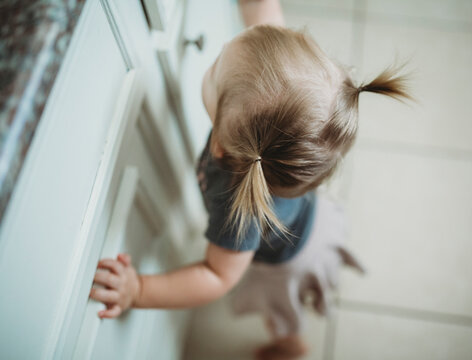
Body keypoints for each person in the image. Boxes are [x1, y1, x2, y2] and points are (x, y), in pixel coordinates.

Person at [89, 0, 411, 359]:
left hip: (285, 262)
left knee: (283, 314)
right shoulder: (275, 105)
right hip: (309, 216)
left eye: (215, 69)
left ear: (223, 146)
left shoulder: (236, 208)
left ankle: (290, 347)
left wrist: (139, 290)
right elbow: (265, 15)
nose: (223, 47)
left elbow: (217, 275)